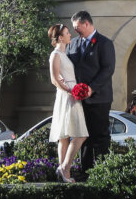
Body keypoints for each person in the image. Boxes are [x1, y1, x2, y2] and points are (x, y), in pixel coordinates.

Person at [69, 10, 115, 176]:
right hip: (78, 100)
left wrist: (91, 88)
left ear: (86, 23)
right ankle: (85, 173)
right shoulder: (73, 44)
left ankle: (102, 173)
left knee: (100, 137)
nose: (75, 30)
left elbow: (108, 69)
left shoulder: (104, 43)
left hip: (99, 99)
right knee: (83, 136)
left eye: (77, 27)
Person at [47, 23, 88, 183]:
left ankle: (64, 173)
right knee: (80, 134)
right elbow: (54, 79)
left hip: (71, 93)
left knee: (65, 137)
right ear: (60, 38)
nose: (70, 34)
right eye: (67, 33)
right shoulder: (56, 54)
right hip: (67, 95)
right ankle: (65, 167)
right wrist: (71, 91)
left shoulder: (64, 54)